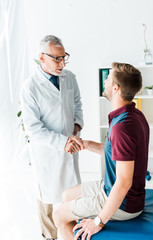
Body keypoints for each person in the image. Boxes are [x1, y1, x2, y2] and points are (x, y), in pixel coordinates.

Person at [53, 62, 150, 240]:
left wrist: (98, 221)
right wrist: (86, 144)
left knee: (58, 214)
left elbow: (123, 183)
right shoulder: (132, 115)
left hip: (124, 203)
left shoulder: (122, 127)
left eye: (108, 77)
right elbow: (117, 153)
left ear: (116, 88)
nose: (104, 80)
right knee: (67, 195)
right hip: (113, 188)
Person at [20, 35, 84, 240]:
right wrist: (62, 142)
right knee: (46, 197)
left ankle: (71, 231)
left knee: (71, 194)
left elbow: (77, 104)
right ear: (41, 57)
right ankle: (49, 236)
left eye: (64, 57)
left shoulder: (70, 77)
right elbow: (33, 128)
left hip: (70, 147)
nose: (62, 63)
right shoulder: (29, 87)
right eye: (57, 59)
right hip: (46, 151)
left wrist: (76, 127)